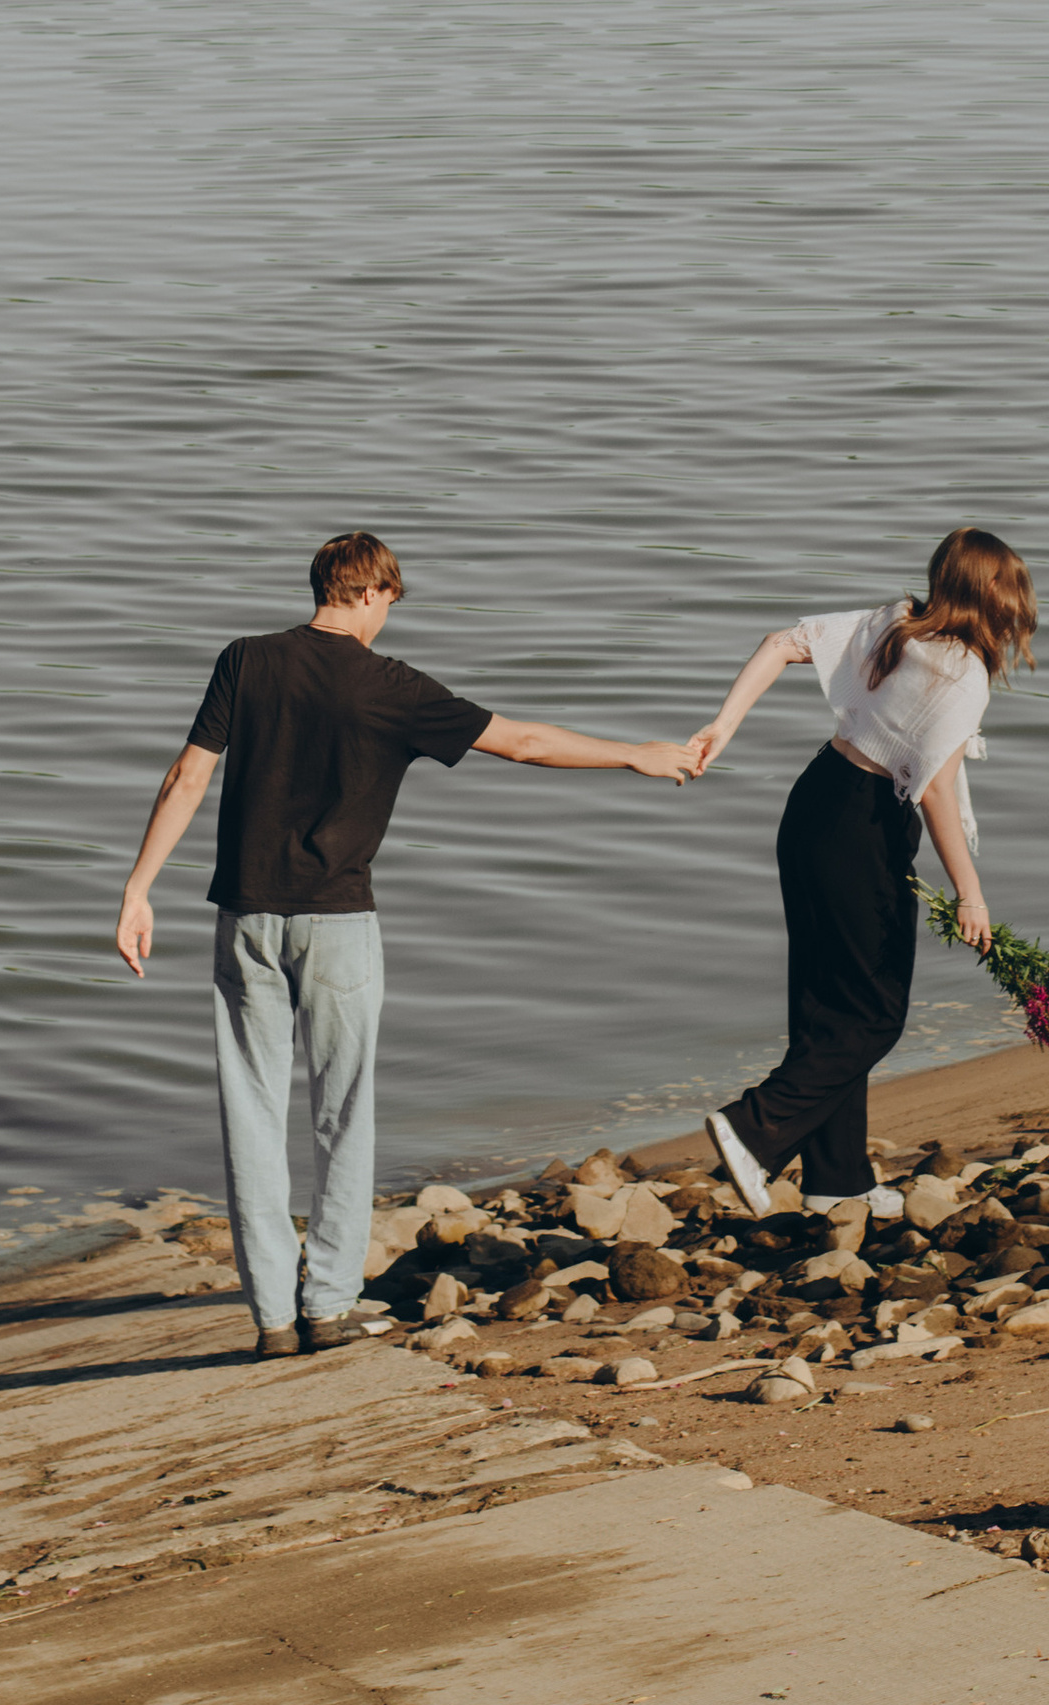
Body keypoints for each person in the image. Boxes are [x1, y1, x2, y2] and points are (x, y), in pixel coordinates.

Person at [116, 530, 696, 1358]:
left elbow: (187, 775)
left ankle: (273, 1320)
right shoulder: (390, 687)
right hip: (339, 923)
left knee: (250, 1112)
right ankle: (327, 1303)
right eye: (388, 600)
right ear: (366, 592)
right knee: (344, 1114)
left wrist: (139, 888)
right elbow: (523, 742)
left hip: (243, 917)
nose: (388, 615)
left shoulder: (244, 660)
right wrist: (632, 754)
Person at [686, 527, 1035, 1223]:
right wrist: (970, 889)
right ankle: (753, 1128)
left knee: (825, 1002)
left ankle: (837, 1179)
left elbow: (781, 641)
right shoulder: (962, 670)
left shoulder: (896, 622)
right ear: (994, 597)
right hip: (863, 827)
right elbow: (935, 785)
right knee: (875, 1012)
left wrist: (722, 726)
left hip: (814, 802)